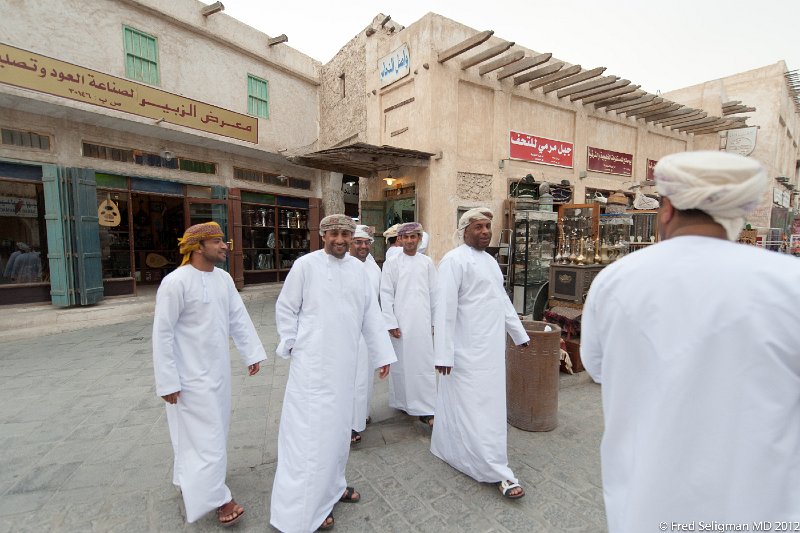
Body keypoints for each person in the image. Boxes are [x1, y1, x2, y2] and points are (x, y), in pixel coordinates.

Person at [581, 151, 800, 532]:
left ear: (666, 209)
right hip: (761, 511)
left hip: (647, 507)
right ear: (739, 213)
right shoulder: (789, 282)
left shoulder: (615, 280)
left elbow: (597, 367)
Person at [271, 214, 396, 533]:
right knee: (311, 434)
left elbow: (370, 315)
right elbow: (286, 308)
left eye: (345, 234)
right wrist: (293, 343)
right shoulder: (306, 266)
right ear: (323, 235)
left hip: (344, 365)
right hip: (311, 366)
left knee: (339, 431)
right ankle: (307, 505)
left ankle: (333, 486)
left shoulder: (358, 270)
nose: (340, 239)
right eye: (334, 233)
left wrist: (382, 354)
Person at [152, 221, 266, 526]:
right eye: (217, 241)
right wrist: (167, 381)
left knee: (209, 433)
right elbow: (162, 333)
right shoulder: (175, 283)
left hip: (218, 372)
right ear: (197, 247)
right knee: (207, 436)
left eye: (222, 240)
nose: (224, 246)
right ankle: (219, 499)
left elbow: (237, 317)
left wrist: (251, 353)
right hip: (187, 377)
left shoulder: (223, 279)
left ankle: (187, 478)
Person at [431, 207, 530, 499]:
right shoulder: (453, 261)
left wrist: (519, 334)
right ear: (464, 231)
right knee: (475, 409)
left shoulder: (490, 262)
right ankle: (497, 470)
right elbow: (444, 310)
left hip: (491, 350)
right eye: (479, 227)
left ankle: (451, 449)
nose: (485, 231)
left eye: (488, 226)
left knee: (484, 407)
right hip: (465, 351)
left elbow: (502, 301)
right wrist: (443, 354)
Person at [380, 222, 437, 427]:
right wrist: (390, 322)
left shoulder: (427, 262)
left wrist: (435, 322)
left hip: (422, 323)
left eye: (414, 237)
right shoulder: (392, 263)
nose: (410, 240)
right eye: (406, 237)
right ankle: (403, 402)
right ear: (400, 239)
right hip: (401, 324)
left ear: (419, 239)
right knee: (402, 365)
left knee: (423, 364)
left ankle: (426, 407)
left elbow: (434, 293)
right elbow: (386, 293)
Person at [348, 224, 382, 444]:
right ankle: (349, 424)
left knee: (365, 378)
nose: (363, 246)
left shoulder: (374, 268)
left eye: (366, 242)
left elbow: (377, 302)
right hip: (346, 333)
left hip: (367, 333)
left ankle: (361, 415)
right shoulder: (342, 265)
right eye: (358, 242)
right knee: (349, 379)